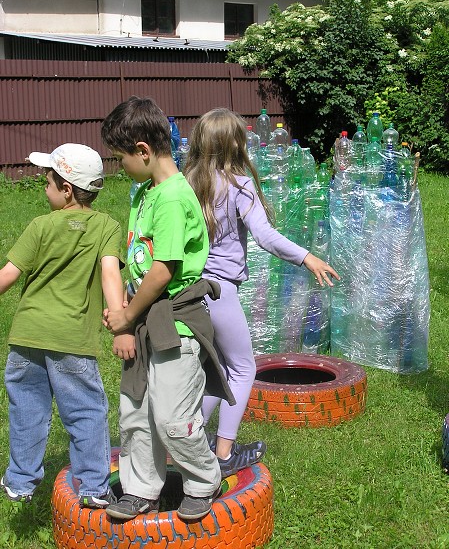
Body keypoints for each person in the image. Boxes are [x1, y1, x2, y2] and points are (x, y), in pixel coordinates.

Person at [184, 108, 340, 476]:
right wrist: (307, 258)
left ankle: (187, 445)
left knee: (216, 370)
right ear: (233, 143)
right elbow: (265, 237)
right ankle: (222, 455)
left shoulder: (185, 182)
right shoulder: (238, 184)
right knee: (242, 368)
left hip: (189, 293)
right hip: (221, 291)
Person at [100, 96, 234, 522]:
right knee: (136, 408)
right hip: (145, 315)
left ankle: (203, 479)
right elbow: (138, 261)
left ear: (143, 151)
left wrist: (126, 315)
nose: (119, 167)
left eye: (121, 158)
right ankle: (141, 489)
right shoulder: (146, 192)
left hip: (175, 320)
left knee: (173, 414)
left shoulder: (174, 197)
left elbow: (163, 270)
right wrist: (126, 311)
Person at [0, 143, 126, 508]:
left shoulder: (40, 226)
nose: (43, 186)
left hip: (27, 335)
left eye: (48, 180)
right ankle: (92, 487)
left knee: (26, 408)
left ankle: (20, 481)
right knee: (85, 409)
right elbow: (109, 274)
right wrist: (120, 321)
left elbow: (8, 275)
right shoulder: (106, 225)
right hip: (71, 339)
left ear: (66, 189)